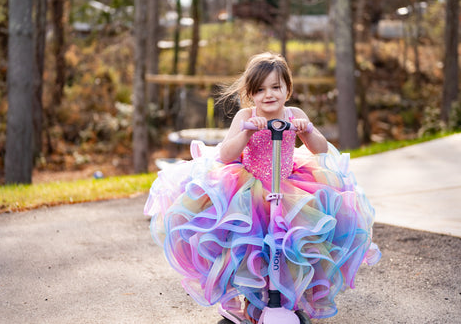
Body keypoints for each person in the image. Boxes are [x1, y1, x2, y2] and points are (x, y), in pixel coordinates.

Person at [144, 52, 380, 322]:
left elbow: (321, 149)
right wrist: (246, 131)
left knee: (293, 243)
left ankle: (288, 297)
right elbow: (226, 155)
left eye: (276, 87)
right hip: (250, 188)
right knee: (248, 246)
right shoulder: (246, 115)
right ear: (250, 94)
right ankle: (245, 298)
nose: (269, 95)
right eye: (260, 89)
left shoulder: (295, 114)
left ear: (287, 90)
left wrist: (307, 129)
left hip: (290, 186)